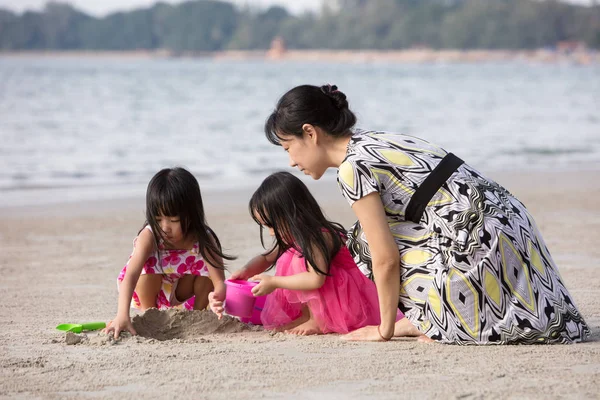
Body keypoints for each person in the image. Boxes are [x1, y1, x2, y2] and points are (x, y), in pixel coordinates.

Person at [260, 84, 590, 344]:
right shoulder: (372, 140)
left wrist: (384, 328)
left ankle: (428, 321)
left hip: (480, 240)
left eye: (288, 147)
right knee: (376, 230)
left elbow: (385, 258)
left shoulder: (351, 168)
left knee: (363, 240)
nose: (290, 161)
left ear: (310, 132)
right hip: (510, 224)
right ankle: (440, 313)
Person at [209, 171, 405, 336]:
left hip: (348, 294)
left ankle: (317, 320)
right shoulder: (293, 235)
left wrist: (274, 282)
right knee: (288, 257)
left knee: (296, 262)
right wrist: (244, 271)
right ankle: (307, 315)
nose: (270, 232)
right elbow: (266, 257)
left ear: (292, 214)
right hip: (330, 290)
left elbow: (315, 280)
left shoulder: (315, 238)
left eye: (272, 225)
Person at [104, 167, 234, 338]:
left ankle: (198, 316)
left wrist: (217, 297)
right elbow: (131, 276)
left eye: (173, 220)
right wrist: (122, 314)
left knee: (207, 272)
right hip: (148, 289)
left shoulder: (204, 238)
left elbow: (219, 282)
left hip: (181, 291)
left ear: (191, 214)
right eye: (158, 219)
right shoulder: (149, 236)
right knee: (147, 265)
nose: (165, 228)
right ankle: (149, 315)